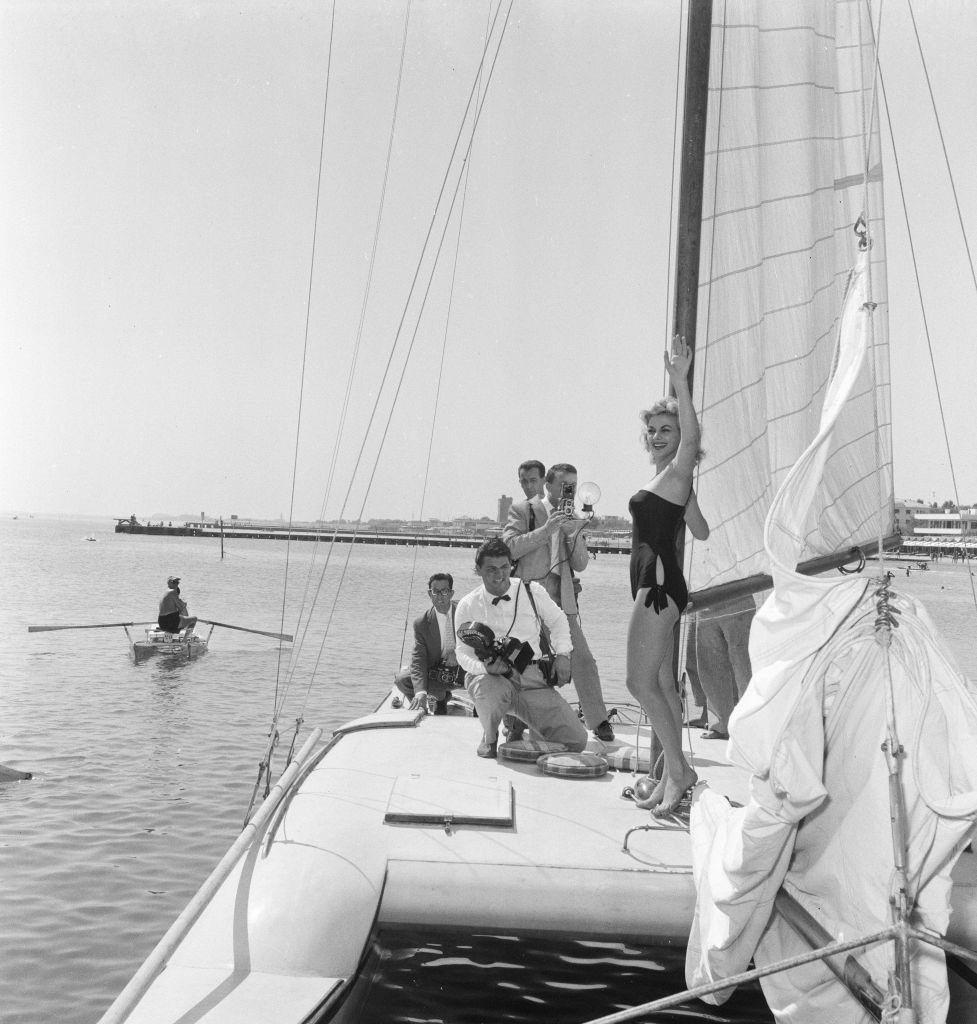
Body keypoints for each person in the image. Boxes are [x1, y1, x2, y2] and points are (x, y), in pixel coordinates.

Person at [627, 336, 710, 816]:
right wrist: (683, 503)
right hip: (657, 585)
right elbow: (699, 531)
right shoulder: (672, 482)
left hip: (657, 590)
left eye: (667, 429)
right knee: (657, 684)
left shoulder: (678, 473)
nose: (659, 436)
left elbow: (693, 444)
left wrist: (680, 382)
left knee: (638, 684)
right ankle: (671, 775)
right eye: (654, 429)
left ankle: (678, 772)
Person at [503, 462, 614, 741]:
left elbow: (581, 564)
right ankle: (514, 723)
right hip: (527, 602)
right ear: (548, 485)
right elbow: (509, 548)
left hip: (561, 603)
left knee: (583, 660)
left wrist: (573, 533)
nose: (570, 491)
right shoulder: (523, 510)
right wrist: (547, 530)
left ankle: (598, 721)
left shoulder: (572, 518)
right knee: (520, 662)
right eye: (565, 486)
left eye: (573, 487)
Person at [455, 537, 588, 758]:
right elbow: (463, 653)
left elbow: (558, 620)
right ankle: (490, 737)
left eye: (505, 567)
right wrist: (485, 668)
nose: (499, 575)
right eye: (491, 569)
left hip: (532, 678)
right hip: (491, 679)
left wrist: (564, 655)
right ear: (478, 570)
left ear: (511, 565)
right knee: (489, 688)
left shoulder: (531, 591)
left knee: (576, 740)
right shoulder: (467, 604)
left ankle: (527, 733)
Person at [685, 595, 756, 740]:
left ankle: (751, 726)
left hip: (739, 597)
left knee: (745, 669)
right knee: (709, 668)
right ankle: (721, 725)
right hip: (705, 601)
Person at [393, 572, 465, 714]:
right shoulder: (421, 623)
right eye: (435, 592)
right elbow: (418, 660)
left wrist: (458, 653)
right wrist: (420, 692)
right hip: (437, 673)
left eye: (444, 591)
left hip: (465, 669)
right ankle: (437, 699)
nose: (439, 596)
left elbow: (479, 642)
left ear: (451, 593)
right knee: (402, 680)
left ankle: (481, 710)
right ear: (429, 594)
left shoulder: (465, 611)